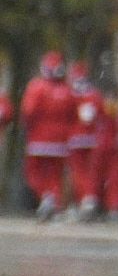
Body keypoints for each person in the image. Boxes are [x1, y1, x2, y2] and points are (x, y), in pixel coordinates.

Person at [20, 52, 75, 220]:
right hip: (60, 142)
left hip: (39, 139)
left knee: (33, 171)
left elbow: (28, 112)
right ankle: (54, 202)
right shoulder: (67, 91)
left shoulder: (37, 87)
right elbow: (73, 115)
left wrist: (27, 127)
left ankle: (46, 198)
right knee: (55, 174)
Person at [65, 61, 104, 219]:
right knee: (90, 171)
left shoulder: (71, 94)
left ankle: (85, 199)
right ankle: (90, 198)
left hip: (74, 139)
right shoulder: (94, 94)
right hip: (91, 139)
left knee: (78, 171)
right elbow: (100, 114)